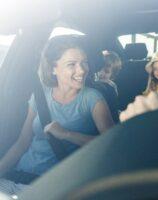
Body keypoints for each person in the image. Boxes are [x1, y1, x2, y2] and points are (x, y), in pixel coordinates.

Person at [0, 35, 114, 195]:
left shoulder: (92, 98)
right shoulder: (40, 97)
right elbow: (22, 142)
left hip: (54, 185)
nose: (82, 70)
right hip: (18, 176)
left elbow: (112, 145)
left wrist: (66, 134)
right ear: (53, 68)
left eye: (84, 62)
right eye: (71, 64)